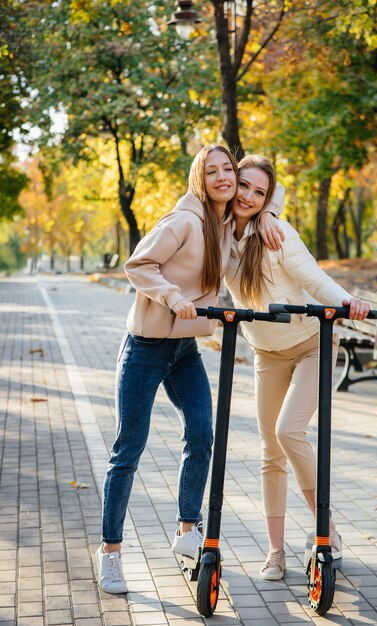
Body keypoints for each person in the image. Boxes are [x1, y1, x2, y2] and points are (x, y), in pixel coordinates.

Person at [96, 145, 284, 594]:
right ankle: (110, 552)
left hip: (184, 351)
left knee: (202, 434)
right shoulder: (183, 221)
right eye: (212, 171)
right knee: (129, 448)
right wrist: (173, 297)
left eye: (229, 171)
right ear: (199, 178)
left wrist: (271, 213)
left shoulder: (223, 225)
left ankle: (187, 530)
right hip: (144, 347)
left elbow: (267, 192)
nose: (223, 178)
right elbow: (138, 264)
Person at [224, 155, 370, 581]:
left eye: (260, 193)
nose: (249, 197)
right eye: (244, 187)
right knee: (271, 452)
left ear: (269, 199)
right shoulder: (218, 232)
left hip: (310, 345)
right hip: (265, 354)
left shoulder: (277, 232)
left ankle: (326, 530)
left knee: (289, 431)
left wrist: (347, 301)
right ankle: (275, 552)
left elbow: (314, 278)